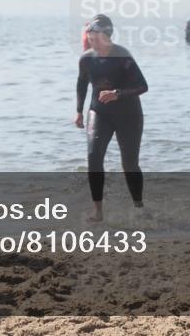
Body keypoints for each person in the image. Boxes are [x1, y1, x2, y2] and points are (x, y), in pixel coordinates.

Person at [74, 13, 148, 222]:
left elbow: (143, 86)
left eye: (95, 36)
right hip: (99, 112)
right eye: (89, 36)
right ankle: (98, 212)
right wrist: (79, 110)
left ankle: (139, 207)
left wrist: (117, 93)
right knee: (93, 156)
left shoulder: (122, 56)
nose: (91, 40)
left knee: (129, 164)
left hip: (128, 114)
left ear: (107, 35)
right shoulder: (86, 59)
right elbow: (82, 83)